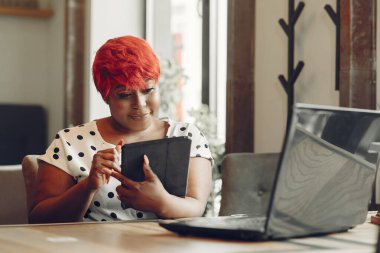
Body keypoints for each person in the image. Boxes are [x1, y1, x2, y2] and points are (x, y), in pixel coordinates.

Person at [29, 35, 213, 223]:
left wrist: (161, 202)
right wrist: (88, 186)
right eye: (124, 94)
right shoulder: (70, 142)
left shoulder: (187, 137)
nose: (140, 104)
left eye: (148, 90)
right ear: (105, 96)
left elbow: (197, 207)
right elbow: (39, 219)